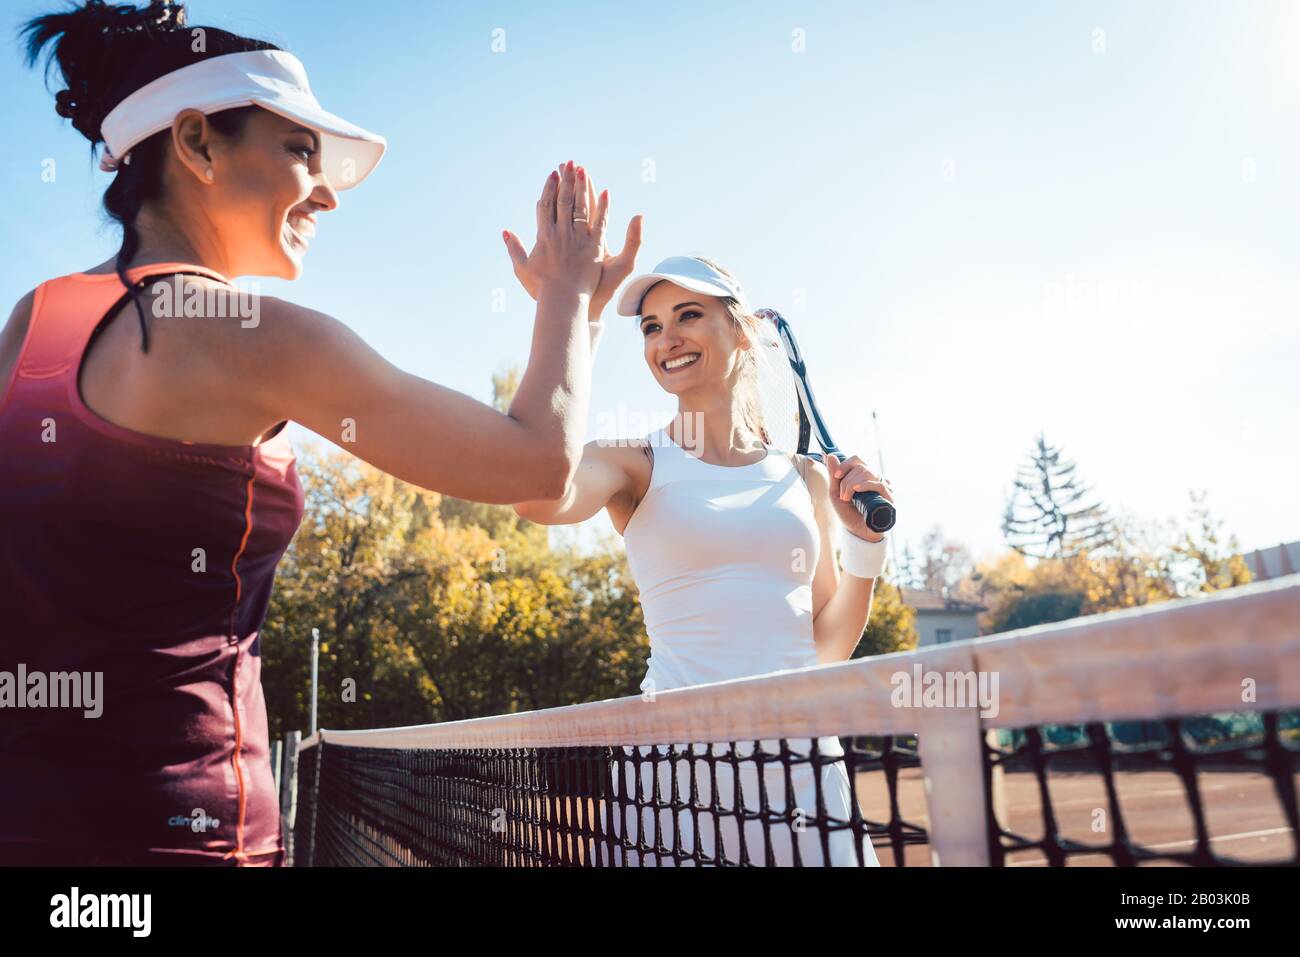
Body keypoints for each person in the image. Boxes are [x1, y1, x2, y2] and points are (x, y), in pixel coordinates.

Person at [0, 0, 640, 866]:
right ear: (195, 143)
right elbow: (535, 462)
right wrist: (571, 298)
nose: (329, 191)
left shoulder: (31, 322)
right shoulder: (260, 336)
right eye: (302, 150)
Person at [511, 256, 895, 865]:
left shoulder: (804, 478)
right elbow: (533, 490)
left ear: (741, 331)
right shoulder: (632, 462)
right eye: (652, 327)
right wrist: (568, 312)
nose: (668, 339)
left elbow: (823, 648)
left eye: (689, 315)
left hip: (800, 766)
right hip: (675, 774)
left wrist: (867, 549)